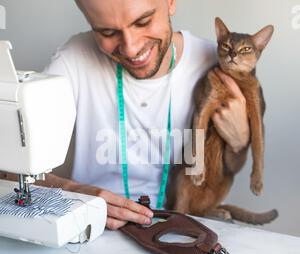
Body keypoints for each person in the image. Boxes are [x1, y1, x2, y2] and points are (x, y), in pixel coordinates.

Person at [4, 0, 250, 230]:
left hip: (181, 224)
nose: (131, 49)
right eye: (107, 33)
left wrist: (240, 141)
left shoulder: (216, 63)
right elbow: (8, 164)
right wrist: (71, 191)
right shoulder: (75, 58)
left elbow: (232, 168)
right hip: (97, 224)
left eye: (143, 22)